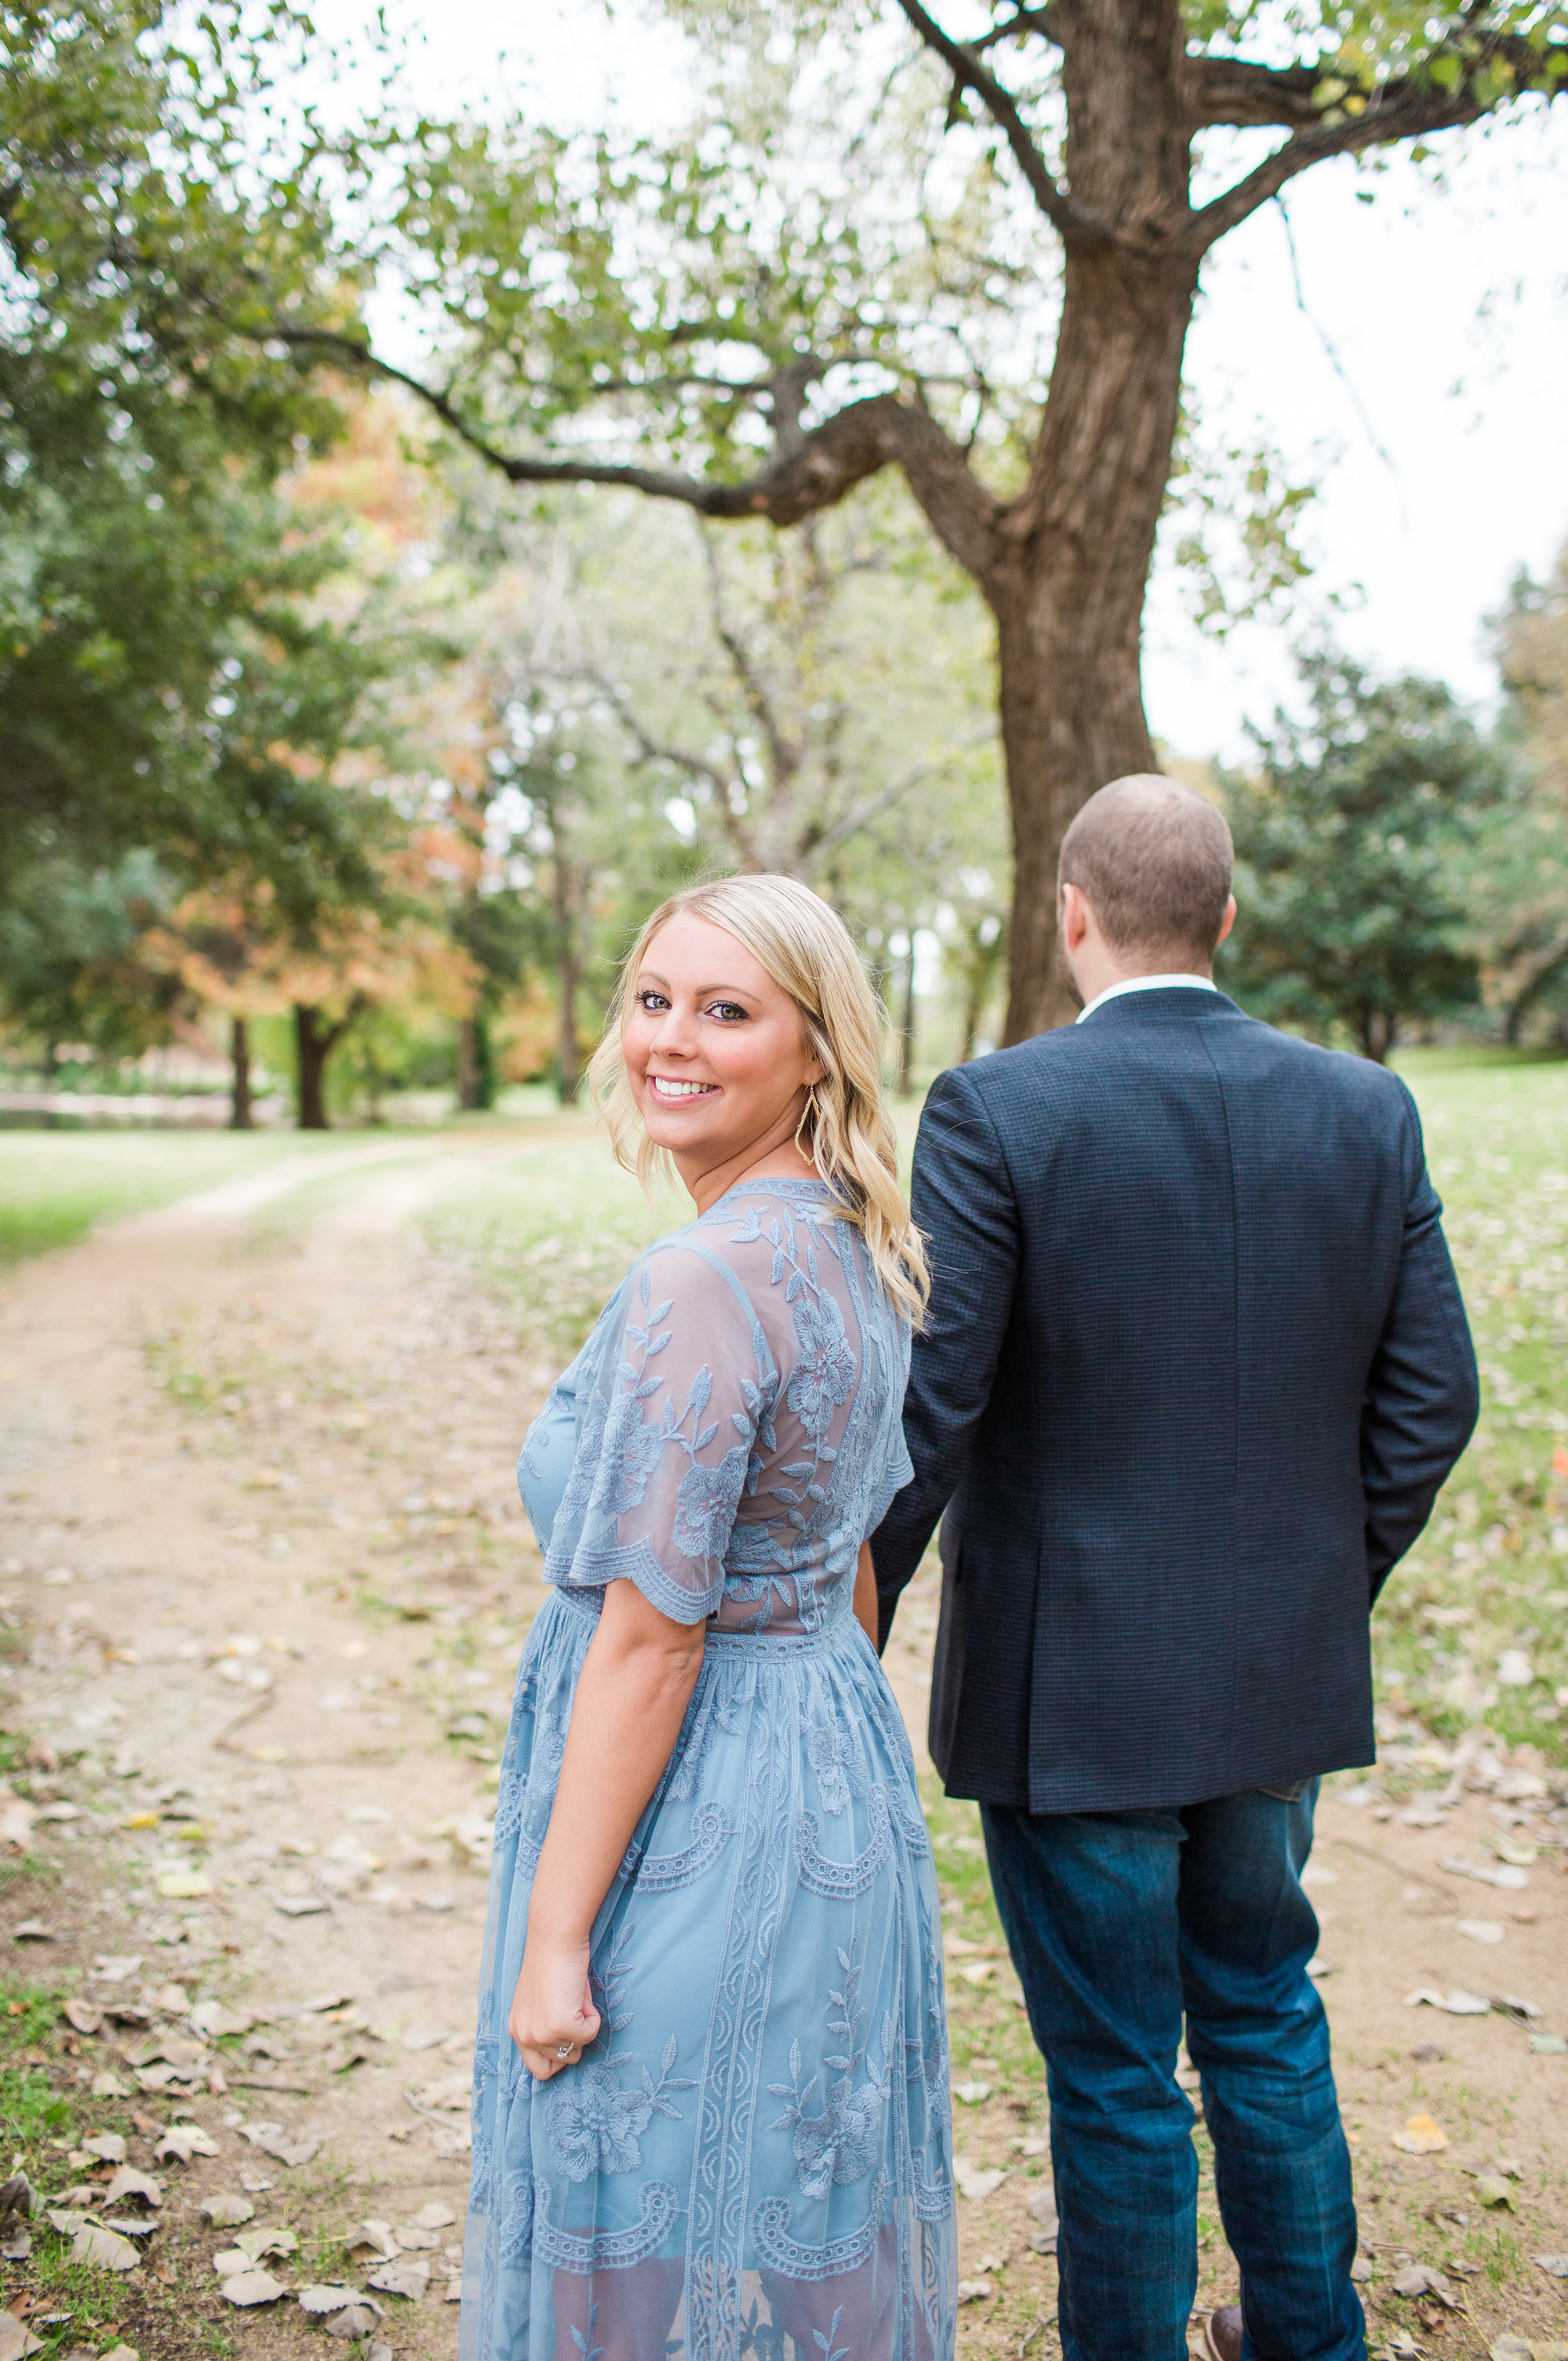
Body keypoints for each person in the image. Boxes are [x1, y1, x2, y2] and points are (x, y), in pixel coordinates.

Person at [871, 776, 1479, 2361]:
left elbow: (933, 1403)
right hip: (1273, 1671)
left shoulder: (996, 1110)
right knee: (1267, 2016)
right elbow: (1434, 1404)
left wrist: (846, 1609)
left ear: (1067, 915)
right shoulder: (1364, 1107)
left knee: (1115, 2069)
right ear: (1226, 918)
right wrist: (1316, 1582)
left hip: (1070, 1693)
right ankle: (1305, 2340)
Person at [464, 874, 955, 2361]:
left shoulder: (702, 1276)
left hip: (691, 1817)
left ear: (817, 1051)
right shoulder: (854, 1236)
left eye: (725, 1011)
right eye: (653, 1000)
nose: (670, 1040)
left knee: (627, 2240)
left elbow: (651, 1636)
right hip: (830, 1780)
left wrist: (556, 1941)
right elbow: (848, 1561)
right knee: (808, 2216)